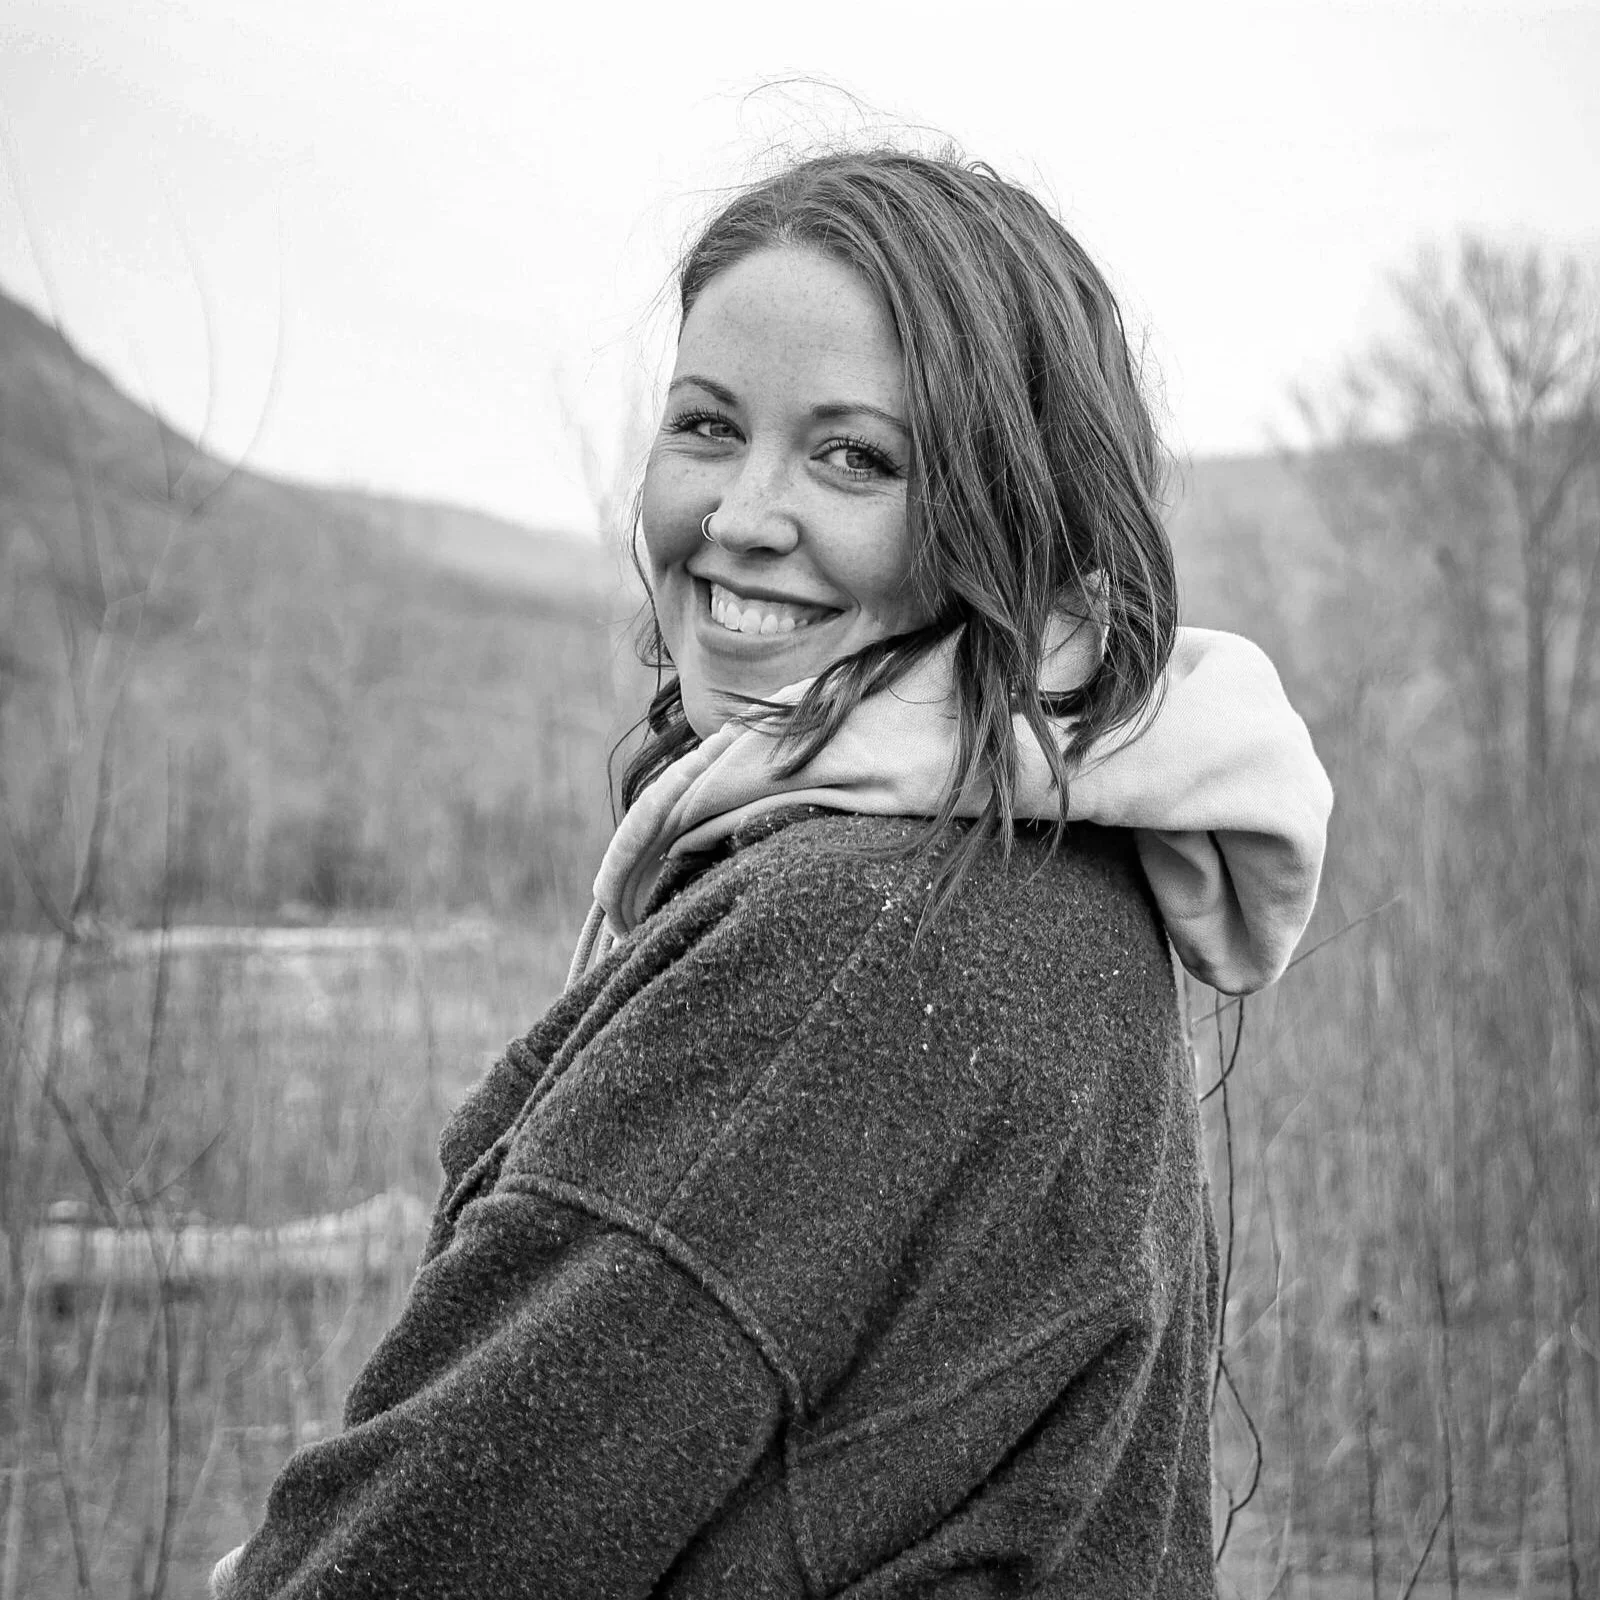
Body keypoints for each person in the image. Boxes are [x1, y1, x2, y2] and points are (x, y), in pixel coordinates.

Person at [213, 147, 1331, 1598]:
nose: (741, 515)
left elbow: (428, 1550)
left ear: (1011, 515)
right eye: (707, 426)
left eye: (853, 454)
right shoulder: (1039, 854)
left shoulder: (857, 937)